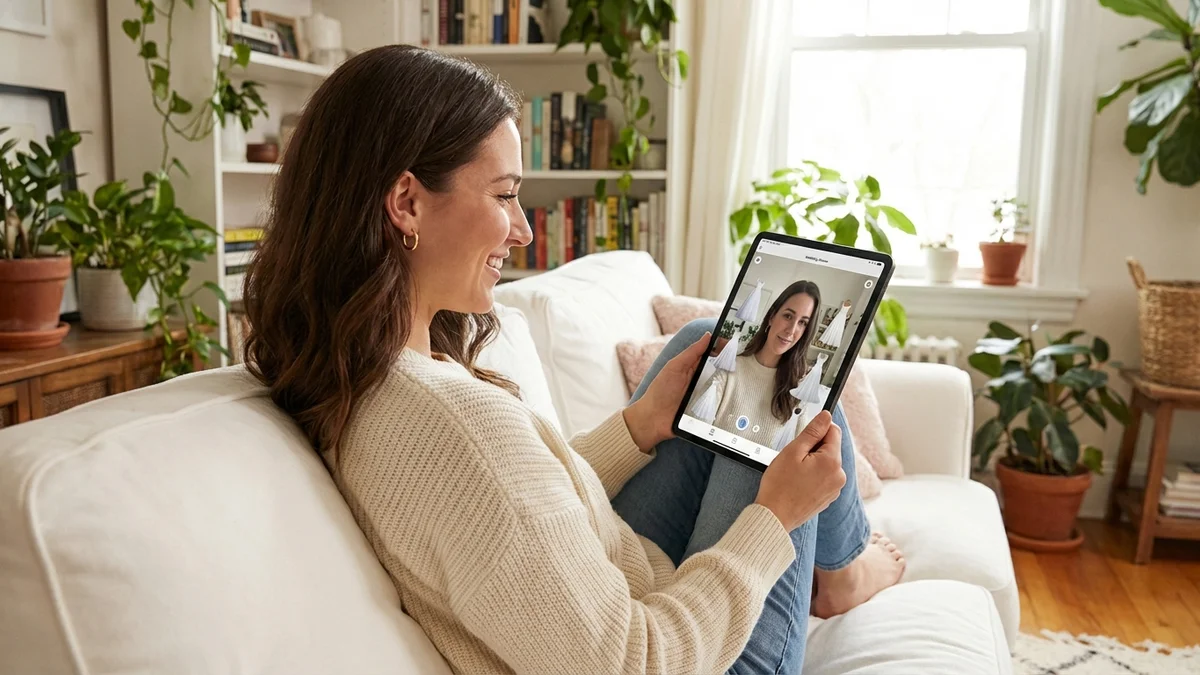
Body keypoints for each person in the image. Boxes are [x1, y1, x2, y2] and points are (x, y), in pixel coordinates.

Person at [242, 44, 905, 675]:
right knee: (789, 404)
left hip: (628, 581)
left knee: (705, 347)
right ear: (407, 203)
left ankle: (834, 557)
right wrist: (774, 520)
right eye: (504, 195)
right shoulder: (457, 429)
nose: (526, 229)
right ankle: (842, 571)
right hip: (690, 653)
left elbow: (523, 514)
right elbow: (634, 660)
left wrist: (639, 424)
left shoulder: (372, 370)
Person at [690, 281, 826, 450]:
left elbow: (801, 454)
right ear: (771, 317)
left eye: (803, 323)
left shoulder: (799, 391)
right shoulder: (729, 370)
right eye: (788, 316)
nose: (791, 330)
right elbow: (692, 435)